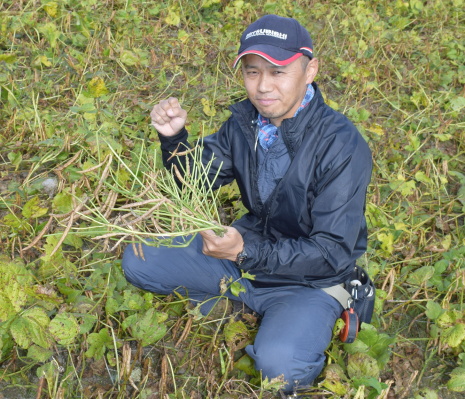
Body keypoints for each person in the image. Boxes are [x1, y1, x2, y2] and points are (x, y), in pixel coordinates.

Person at [121, 14, 373, 395]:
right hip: (245, 260)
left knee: (280, 370)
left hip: (310, 281)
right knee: (138, 261)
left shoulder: (341, 144)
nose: (263, 87)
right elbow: (194, 182)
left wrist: (245, 250)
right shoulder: (245, 124)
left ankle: (285, 316)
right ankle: (249, 304)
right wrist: (174, 139)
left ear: (310, 70)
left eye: (278, 72)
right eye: (253, 72)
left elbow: (331, 252)